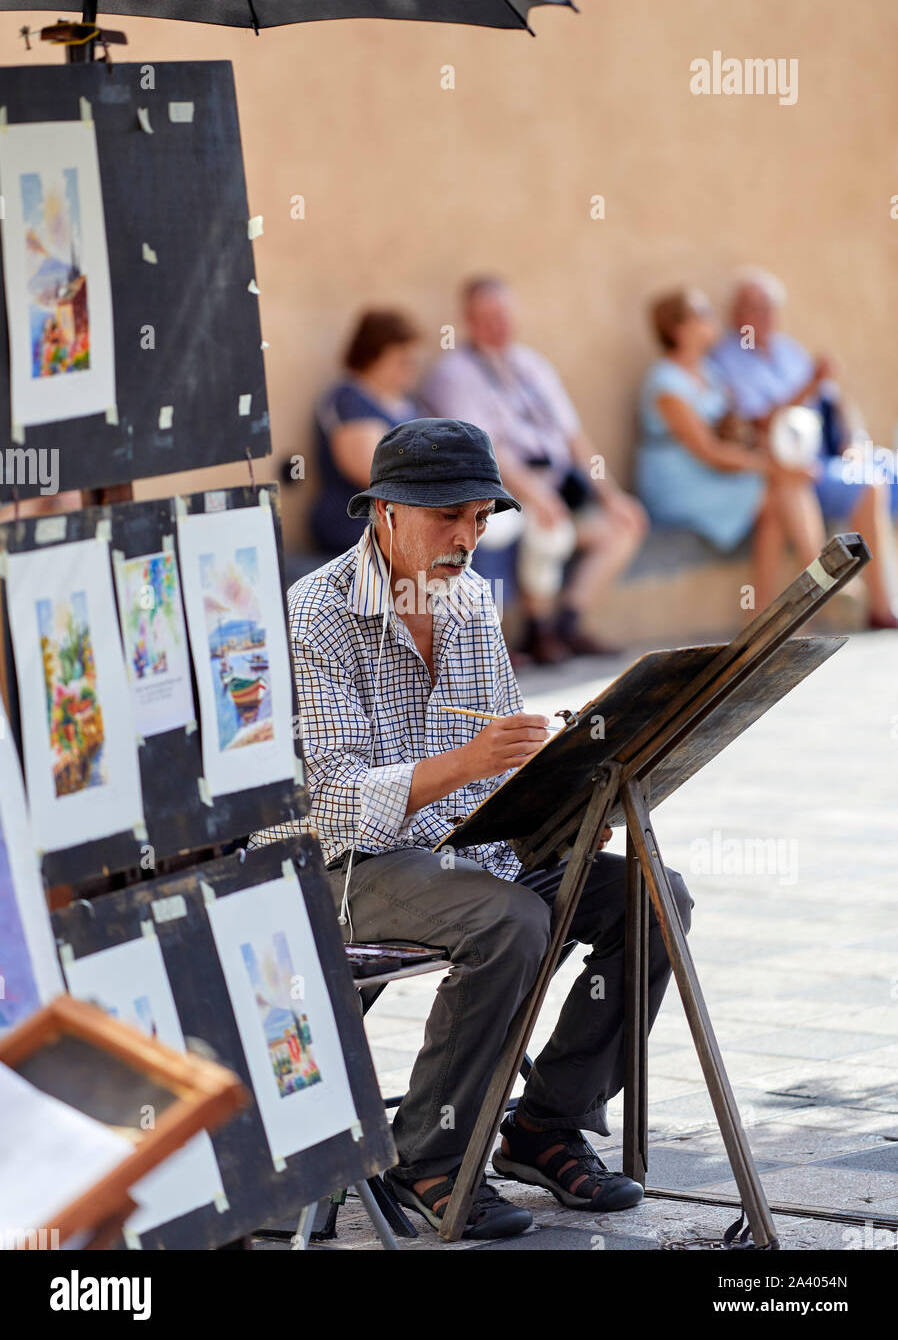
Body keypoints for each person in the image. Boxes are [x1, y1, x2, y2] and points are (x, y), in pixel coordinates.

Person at [250, 417, 692, 1241]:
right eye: (449, 515)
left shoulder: (468, 606)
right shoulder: (315, 615)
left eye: (482, 518)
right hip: (340, 865)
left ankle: (545, 1125)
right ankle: (428, 1156)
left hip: (463, 854)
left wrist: (560, 805)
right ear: (384, 510)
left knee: (654, 897)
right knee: (508, 918)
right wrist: (468, 762)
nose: (468, 537)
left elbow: (497, 775)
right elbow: (337, 801)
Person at [421, 276, 647, 664]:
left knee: (626, 523)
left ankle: (567, 624)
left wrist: (611, 495)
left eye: (504, 314)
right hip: (507, 491)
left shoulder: (531, 364)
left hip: (560, 487)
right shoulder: (453, 372)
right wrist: (537, 496)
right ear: (469, 319)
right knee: (543, 526)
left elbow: (574, 437)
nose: (499, 324)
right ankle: (537, 632)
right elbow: (484, 450)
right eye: (488, 316)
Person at [709, 269, 898, 628]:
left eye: (768, 307)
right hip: (782, 466)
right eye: (753, 308)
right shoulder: (726, 359)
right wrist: (810, 382)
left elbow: (835, 402)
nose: (762, 315)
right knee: (812, 490)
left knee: (874, 481)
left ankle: (879, 606)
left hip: (819, 461)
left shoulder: (788, 350)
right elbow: (759, 423)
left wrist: (854, 440)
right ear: (736, 315)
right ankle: (825, 585)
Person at [636, 288, 828, 611]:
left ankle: (763, 613)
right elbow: (708, 451)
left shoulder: (709, 373)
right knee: (779, 489)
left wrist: (778, 459)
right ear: (678, 329)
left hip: (711, 477)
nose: (712, 319)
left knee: (778, 499)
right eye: (702, 313)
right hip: (680, 485)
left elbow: (738, 428)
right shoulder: (665, 383)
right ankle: (820, 577)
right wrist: (773, 467)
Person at [307, 309, 422, 555]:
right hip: (355, 520)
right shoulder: (349, 399)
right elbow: (376, 473)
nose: (411, 368)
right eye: (402, 360)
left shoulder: (405, 402)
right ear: (374, 355)